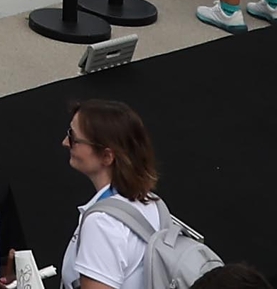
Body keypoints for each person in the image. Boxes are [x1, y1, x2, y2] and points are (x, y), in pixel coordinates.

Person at [61, 104, 205, 289]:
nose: (65, 142)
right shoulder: (153, 203)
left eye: (73, 137)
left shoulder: (102, 222)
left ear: (107, 156)